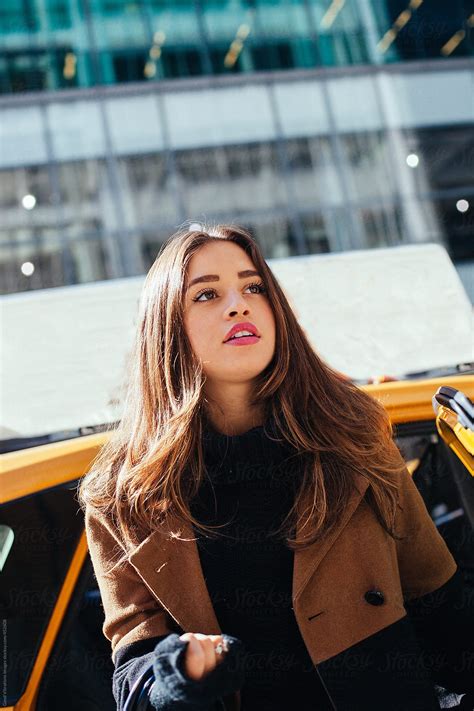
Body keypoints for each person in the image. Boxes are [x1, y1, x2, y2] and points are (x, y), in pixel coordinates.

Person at [78, 223, 474, 711]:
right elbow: (133, 669)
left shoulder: (352, 431)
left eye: (253, 286)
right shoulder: (120, 493)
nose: (239, 304)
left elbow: (438, 597)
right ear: (166, 327)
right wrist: (180, 674)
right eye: (206, 295)